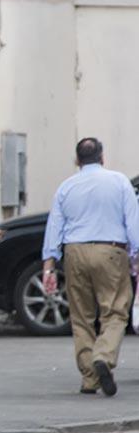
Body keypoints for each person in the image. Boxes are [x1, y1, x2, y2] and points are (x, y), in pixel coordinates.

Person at [42, 137, 139, 397]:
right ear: (102, 157)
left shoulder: (66, 187)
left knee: (81, 316)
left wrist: (48, 265)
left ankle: (89, 378)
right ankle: (103, 356)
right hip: (111, 251)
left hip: (74, 252)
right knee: (116, 310)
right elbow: (133, 221)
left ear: (77, 160)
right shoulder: (119, 182)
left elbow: (54, 226)